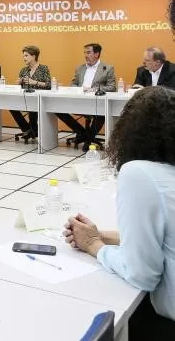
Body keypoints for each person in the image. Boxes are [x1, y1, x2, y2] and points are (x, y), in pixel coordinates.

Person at [63, 86, 175, 340]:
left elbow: (143, 275)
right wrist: (99, 233)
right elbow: (163, 235)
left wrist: (94, 245)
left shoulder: (139, 173)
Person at [56, 43, 117, 151]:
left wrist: (93, 90)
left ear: (97, 54)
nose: (85, 55)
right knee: (57, 109)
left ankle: (88, 140)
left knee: (101, 114)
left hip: (97, 102)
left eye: (88, 52)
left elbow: (112, 87)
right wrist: (79, 89)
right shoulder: (80, 68)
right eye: (84, 52)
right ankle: (82, 132)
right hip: (80, 101)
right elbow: (73, 83)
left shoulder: (107, 68)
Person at [9, 46, 51, 142]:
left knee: (33, 109)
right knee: (11, 106)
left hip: (39, 100)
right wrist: (18, 82)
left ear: (33, 56)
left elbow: (49, 85)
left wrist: (34, 82)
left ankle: (32, 130)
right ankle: (28, 129)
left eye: (26, 56)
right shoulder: (24, 70)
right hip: (25, 99)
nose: (24, 58)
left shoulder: (43, 68)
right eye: (23, 56)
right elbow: (17, 87)